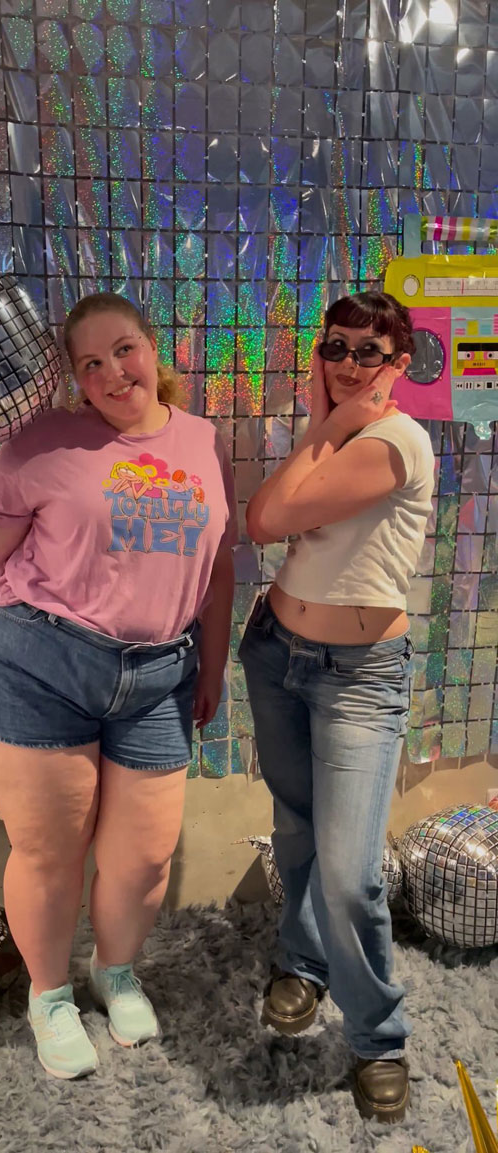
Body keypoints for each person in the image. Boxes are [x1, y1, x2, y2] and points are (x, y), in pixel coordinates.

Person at [0, 291, 236, 1080]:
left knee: (144, 859)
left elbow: (218, 563)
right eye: (90, 363)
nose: (112, 373)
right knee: (50, 852)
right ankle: (50, 995)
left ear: (153, 347)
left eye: (123, 349)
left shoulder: (203, 441)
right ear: (72, 376)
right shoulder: (44, 441)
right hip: (37, 665)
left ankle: (115, 971)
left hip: (158, 675)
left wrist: (212, 660)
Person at [240, 291, 435, 1123]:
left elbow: (265, 518)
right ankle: (303, 959)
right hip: (277, 651)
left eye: (370, 351)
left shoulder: (396, 439)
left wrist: (327, 425)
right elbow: (269, 523)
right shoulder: (332, 436)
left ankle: (377, 1037)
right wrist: (322, 427)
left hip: (358, 676)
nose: (350, 363)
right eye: (336, 346)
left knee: (351, 875)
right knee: (297, 831)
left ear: (399, 365)